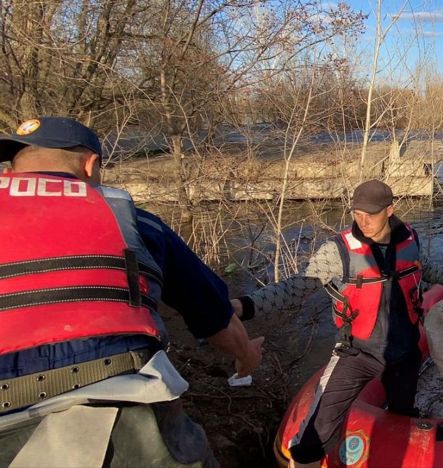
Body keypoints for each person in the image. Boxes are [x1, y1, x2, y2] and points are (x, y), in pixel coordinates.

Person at [0, 117, 263, 467]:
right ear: (91, 165)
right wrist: (246, 357)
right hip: (118, 407)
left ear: (11, 170)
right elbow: (216, 318)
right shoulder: (138, 222)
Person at [231, 179, 442, 467]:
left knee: (402, 414)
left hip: (404, 354)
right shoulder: (337, 251)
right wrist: (244, 306)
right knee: (313, 437)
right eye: (356, 213)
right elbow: (296, 288)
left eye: (370, 213)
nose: (362, 220)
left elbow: (425, 267)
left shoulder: (410, 239)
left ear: (389, 210)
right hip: (356, 354)